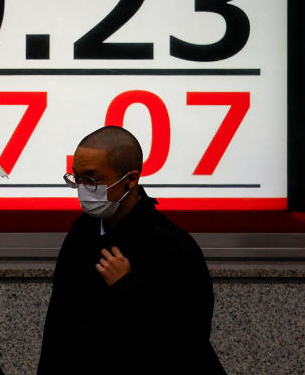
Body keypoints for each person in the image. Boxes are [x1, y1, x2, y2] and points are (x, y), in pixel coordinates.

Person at [37, 125, 226, 374]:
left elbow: (188, 339)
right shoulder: (81, 235)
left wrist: (129, 287)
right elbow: (58, 328)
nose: (83, 189)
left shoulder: (172, 246)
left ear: (131, 179)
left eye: (93, 180)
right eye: (77, 178)